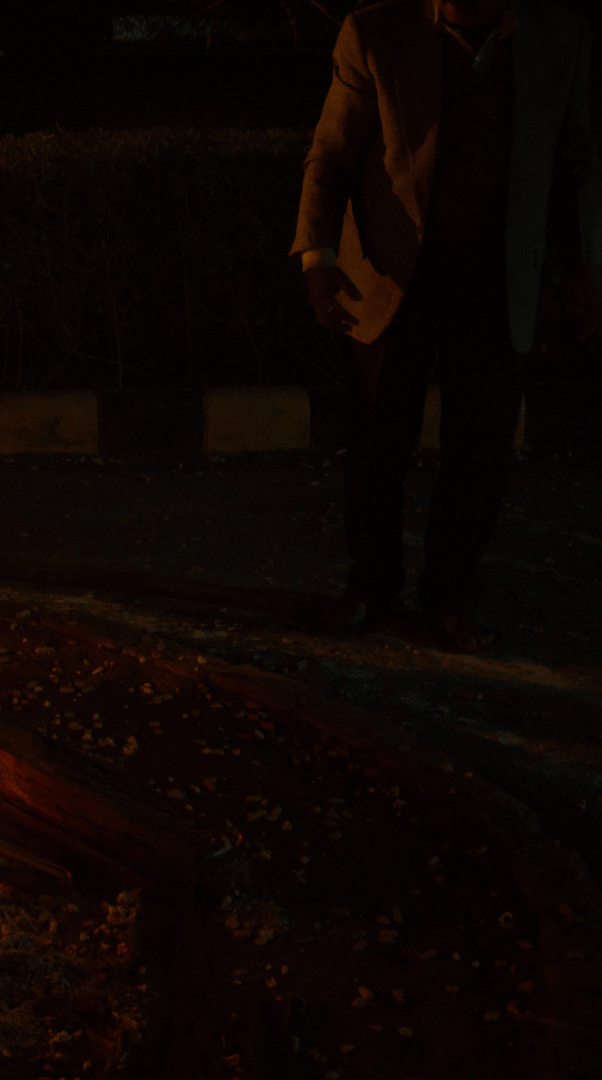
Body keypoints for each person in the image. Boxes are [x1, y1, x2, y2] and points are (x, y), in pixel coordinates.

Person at [294, 0, 602, 652]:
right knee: (379, 444)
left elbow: (577, 156)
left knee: (480, 453)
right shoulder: (377, 31)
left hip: (497, 281)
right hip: (389, 277)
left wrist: (588, 265)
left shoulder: (560, 36)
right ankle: (371, 586)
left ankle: (451, 597)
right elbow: (332, 151)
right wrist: (318, 257)